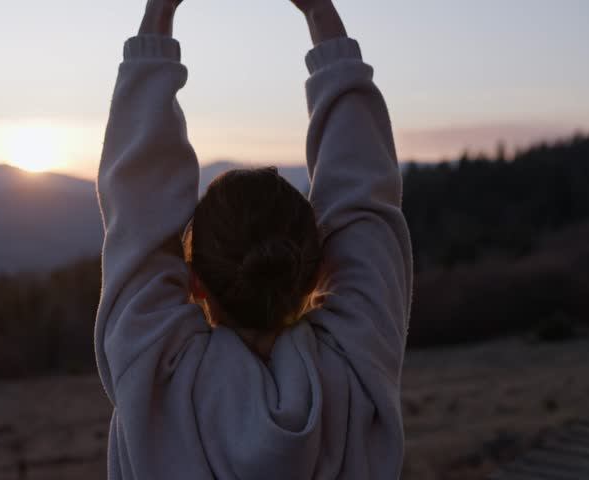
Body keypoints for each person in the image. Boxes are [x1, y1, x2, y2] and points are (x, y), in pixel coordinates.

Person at [94, 0, 412, 478]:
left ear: (194, 281)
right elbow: (364, 198)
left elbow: (140, 203)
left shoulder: (153, 376)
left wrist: (160, 12)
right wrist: (319, 13)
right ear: (320, 270)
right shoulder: (357, 371)